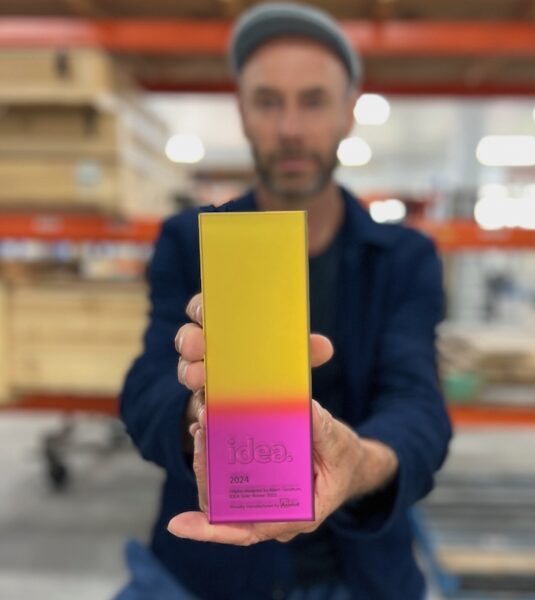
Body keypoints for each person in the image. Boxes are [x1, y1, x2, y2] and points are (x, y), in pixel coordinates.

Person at [118, 3, 452, 599]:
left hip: (359, 575)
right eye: (268, 101)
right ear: (243, 113)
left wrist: (357, 462)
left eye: (314, 101)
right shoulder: (189, 243)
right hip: (206, 568)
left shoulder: (404, 259)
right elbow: (145, 388)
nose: (291, 128)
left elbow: (418, 408)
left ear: (349, 112)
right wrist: (202, 411)